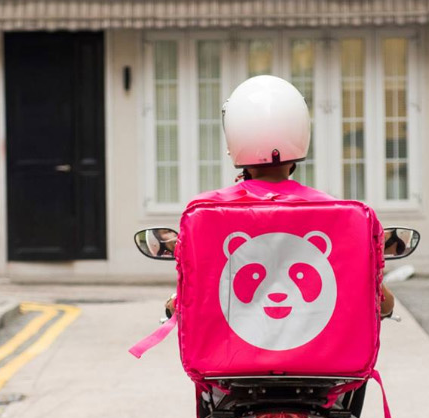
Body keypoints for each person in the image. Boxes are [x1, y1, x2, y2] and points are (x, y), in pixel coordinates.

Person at [165, 75, 395, 319]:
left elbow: (195, 288)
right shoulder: (340, 214)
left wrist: (172, 303)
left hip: (230, 343)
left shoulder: (206, 211)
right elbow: (383, 304)